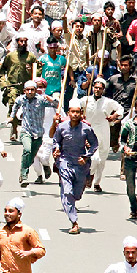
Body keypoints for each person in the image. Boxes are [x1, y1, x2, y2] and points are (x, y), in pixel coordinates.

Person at [50, 100, 98, 234]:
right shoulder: (61, 127)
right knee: (67, 192)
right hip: (65, 162)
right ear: (69, 113)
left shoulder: (86, 129)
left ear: (81, 114)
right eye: (73, 112)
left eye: (78, 112)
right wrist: (56, 149)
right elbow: (56, 141)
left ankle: (80, 189)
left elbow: (94, 144)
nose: (75, 114)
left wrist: (86, 156)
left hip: (81, 164)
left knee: (76, 194)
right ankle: (74, 222)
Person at [12, 81, 57, 187]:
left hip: (39, 133)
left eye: (33, 90)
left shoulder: (42, 100)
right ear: (24, 91)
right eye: (28, 90)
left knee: (32, 158)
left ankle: (43, 167)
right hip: (26, 131)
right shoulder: (21, 99)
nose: (30, 92)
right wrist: (12, 116)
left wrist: (52, 100)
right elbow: (16, 105)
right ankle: (24, 175)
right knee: (27, 150)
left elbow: (57, 105)